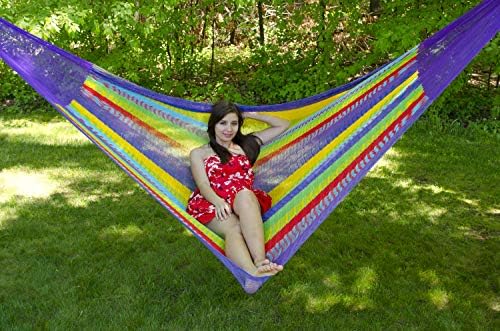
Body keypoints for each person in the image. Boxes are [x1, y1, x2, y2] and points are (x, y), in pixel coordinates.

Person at [187, 100, 290, 277]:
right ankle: (253, 273)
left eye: (234, 123)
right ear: (213, 125)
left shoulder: (247, 145)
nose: (228, 129)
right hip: (212, 201)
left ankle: (260, 261)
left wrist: (251, 114)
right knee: (234, 229)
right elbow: (203, 184)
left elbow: (283, 125)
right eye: (223, 123)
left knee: (244, 194)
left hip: (243, 199)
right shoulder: (199, 153)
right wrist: (218, 202)